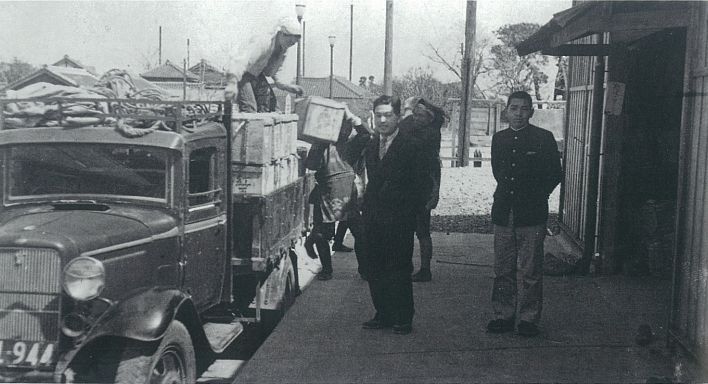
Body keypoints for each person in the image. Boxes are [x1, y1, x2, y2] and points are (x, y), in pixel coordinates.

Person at [487, 91, 562, 337]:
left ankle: (529, 319)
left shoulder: (543, 138)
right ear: (506, 111)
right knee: (503, 269)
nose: (518, 113)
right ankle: (503, 315)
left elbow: (554, 174)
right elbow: (499, 172)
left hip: (531, 214)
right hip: (504, 213)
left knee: (531, 270)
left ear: (531, 112)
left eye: (524, 109)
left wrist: (535, 196)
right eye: (514, 108)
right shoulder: (499, 139)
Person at [361, 95, 432, 335]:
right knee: (375, 267)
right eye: (378, 115)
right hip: (374, 217)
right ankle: (383, 313)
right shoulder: (371, 144)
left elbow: (422, 186)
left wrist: (407, 215)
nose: (382, 120)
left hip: (399, 219)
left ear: (398, 117)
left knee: (399, 268)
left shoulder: (411, 145)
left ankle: (402, 317)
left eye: (388, 115)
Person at [304, 107, 370, 281]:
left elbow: (367, 135)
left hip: (348, 193)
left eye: (347, 127)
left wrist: (353, 117)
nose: (345, 130)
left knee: (360, 234)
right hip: (326, 192)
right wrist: (319, 144)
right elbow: (311, 165)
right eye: (342, 126)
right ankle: (327, 269)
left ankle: (365, 269)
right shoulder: (321, 145)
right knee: (321, 234)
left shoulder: (350, 145)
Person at [398, 97, 444, 282]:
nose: (415, 118)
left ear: (429, 118)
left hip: (423, 186)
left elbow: (406, 133)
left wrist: (435, 193)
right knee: (409, 229)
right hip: (410, 185)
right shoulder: (419, 128)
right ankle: (407, 266)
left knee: (422, 231)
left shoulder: (430, 134)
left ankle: (425, 269)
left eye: (420, 115)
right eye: (415, 115)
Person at [224, 17, 304, 112]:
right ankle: (248, 125)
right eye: (290, 41)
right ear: (282, 34)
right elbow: (240, 62)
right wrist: (232, 83)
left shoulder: (283, 50)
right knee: (250, 107)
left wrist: (287, 86)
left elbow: (275, 72)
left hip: (256, 74)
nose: (290, 45)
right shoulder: (263, 42)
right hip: (240, 72)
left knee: (272, 107)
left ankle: (265, 126)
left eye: (293, 43)